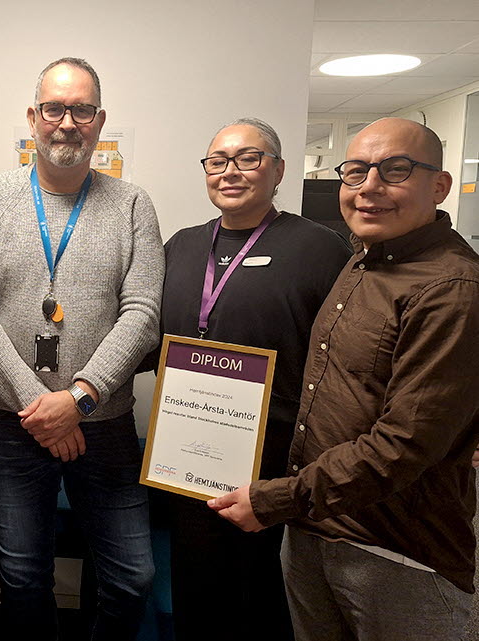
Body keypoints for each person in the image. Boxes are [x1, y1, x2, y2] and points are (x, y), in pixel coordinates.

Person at [209, 117, 479, 641]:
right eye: (355, 172)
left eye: (395, 170)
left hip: (395, 551)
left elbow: (404, 443)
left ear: (440, 186)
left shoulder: (452, 289)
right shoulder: (362, 261)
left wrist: (279, 499)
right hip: (316, 527)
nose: (369, 187)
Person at [0, 57, 163, 641]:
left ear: (100, 121)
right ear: (32, 116)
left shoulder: (133, 204)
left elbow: (143, 315)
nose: (67, 122)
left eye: (82, 110)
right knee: (22, 577)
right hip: (11, 422)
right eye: (54, 108)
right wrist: (40, 407)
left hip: (105, 423)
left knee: (132, 578)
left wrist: (80, 399)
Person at [152, 117, 351, 641]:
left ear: (278, 170)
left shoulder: (320, 248)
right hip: (187, 455)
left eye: (248, 158)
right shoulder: (182, 246)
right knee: (195, 591)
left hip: (275, 465)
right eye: (218, 161)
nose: (230, 172)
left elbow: (342, 360)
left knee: (261, 599)